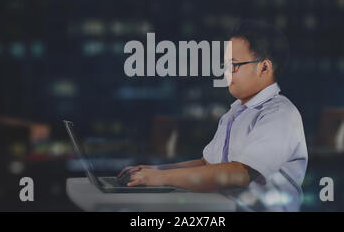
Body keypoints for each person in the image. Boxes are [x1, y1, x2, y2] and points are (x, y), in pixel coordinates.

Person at [118, 20, 308, 211]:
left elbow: (239, 174)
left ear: (264, 68)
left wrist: (160, 178)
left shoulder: (279, 114)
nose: (226, 72)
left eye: (234, 65)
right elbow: (207, 164)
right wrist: (155, 171)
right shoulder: (235, 112)